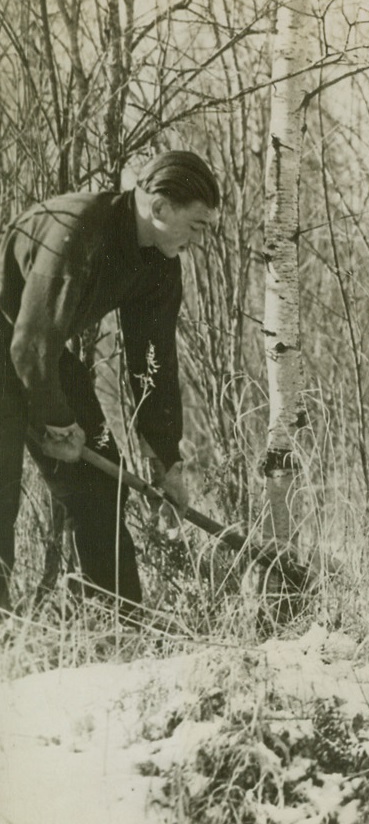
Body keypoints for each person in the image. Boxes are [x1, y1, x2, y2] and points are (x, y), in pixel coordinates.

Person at [0, 151, 221, 612]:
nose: (197, 240)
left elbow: (153, 360)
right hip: (19, 343)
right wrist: (57, 421)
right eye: (196, 226)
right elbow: (29, 346)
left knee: (101, 485)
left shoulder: (160, 261)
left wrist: (166, 460)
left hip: (40, 354)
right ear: (159, 208)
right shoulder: (77, 230)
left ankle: (121, 628)